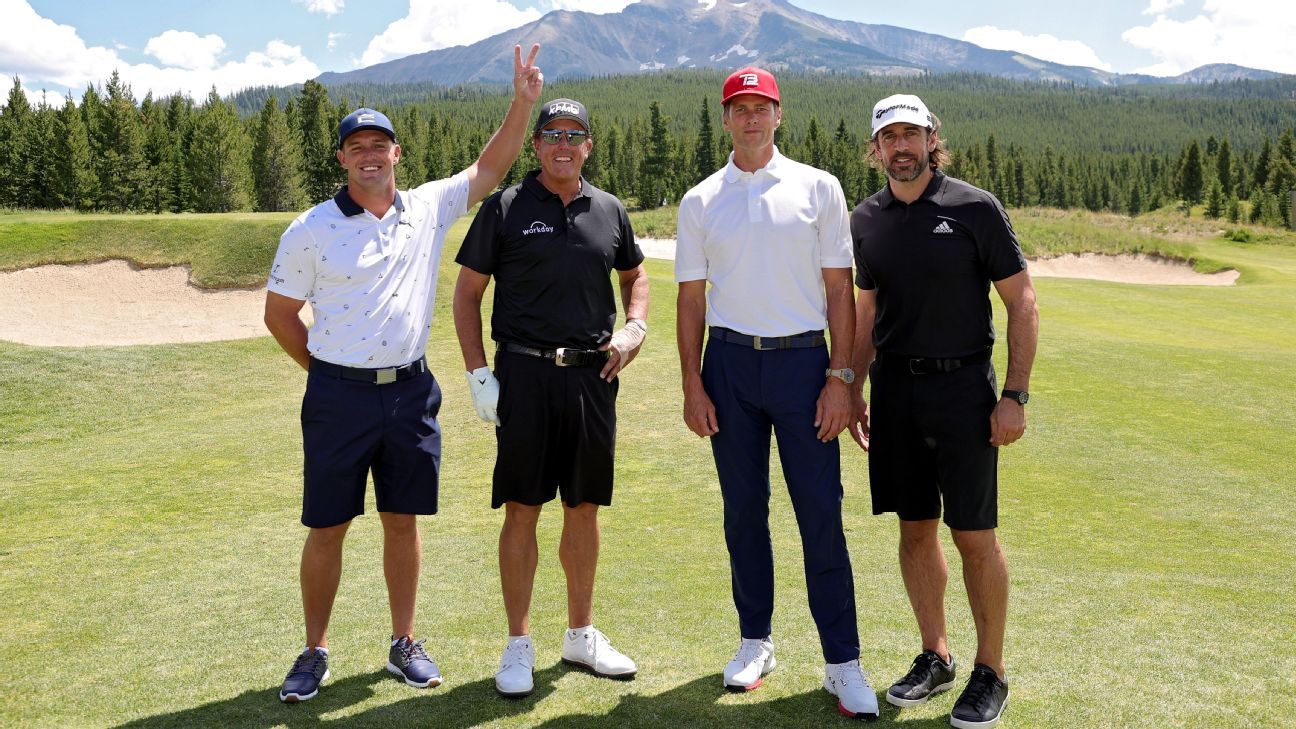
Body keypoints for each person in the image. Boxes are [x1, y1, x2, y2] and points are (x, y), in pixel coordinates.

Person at [263, 45, 544, 704]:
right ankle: (314, 650)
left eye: (379, 145)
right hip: (337, 397)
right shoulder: (311, 229)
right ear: (341, 158)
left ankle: (403, 642)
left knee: (401, 520)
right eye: (355, 146)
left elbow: (491, 164)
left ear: (397, 154)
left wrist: (523, 102)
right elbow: (280, 315)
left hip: (411, 393)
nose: (368, 154)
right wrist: (325, 371)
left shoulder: (425, 207)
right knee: (327, 525)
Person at [675, 67, 879, 719]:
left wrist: (841, 378)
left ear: (779, 115)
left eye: (763, 106)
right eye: (741, 107)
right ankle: (755, 641)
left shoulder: (818, 188)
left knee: (819, 511)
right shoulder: (701, 200)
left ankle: (842, 660)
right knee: (744, 511)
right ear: (726, 117)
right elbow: (690, 301)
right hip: (730, 365)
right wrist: (690, 381)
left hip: (803, 365)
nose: (752, 117)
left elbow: (840, 291)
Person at [848, 93, 1039, 729]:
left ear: (933, 139)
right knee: (915, 528)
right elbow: (867, 311)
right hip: (896, 394)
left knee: (974, 535)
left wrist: (1013, 395)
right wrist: (851, 386)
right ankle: (937, 654)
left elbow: (1022, 303)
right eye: (889, 136)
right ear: (875, 149)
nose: (901, 145)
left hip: (964, 392)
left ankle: (992, 670)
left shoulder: (974, 208)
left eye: (912, 133)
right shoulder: (866, 219)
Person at [452, 97, 649, 698]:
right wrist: (478, 375)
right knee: (522, 507)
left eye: (575, 134)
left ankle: (581, 634)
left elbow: (634, 275)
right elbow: (467, 297)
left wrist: (635, 326)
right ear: (536, 145)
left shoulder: (609, 210)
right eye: (552, 134)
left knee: (583, 507)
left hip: (594, 377)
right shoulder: (506, 207)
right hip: (526, 376)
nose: (563, 144)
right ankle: (518, 643)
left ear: (589, 144)